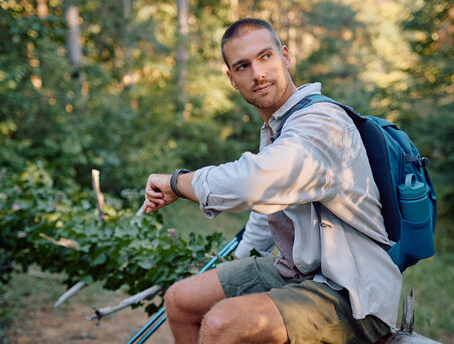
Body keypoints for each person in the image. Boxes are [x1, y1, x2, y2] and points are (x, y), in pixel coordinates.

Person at [143, 18, 402, 344]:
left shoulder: (321, 123)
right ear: (232, 79)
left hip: (351, 292)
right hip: (295, 272)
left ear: (285, 56)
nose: (258, 73)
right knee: (181, 300)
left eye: (265, 57)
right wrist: (236, 267)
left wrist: (177, 183)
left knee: (222, 323)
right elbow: (269, 213)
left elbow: (254, 183)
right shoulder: (278, 127)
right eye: (243, 66)